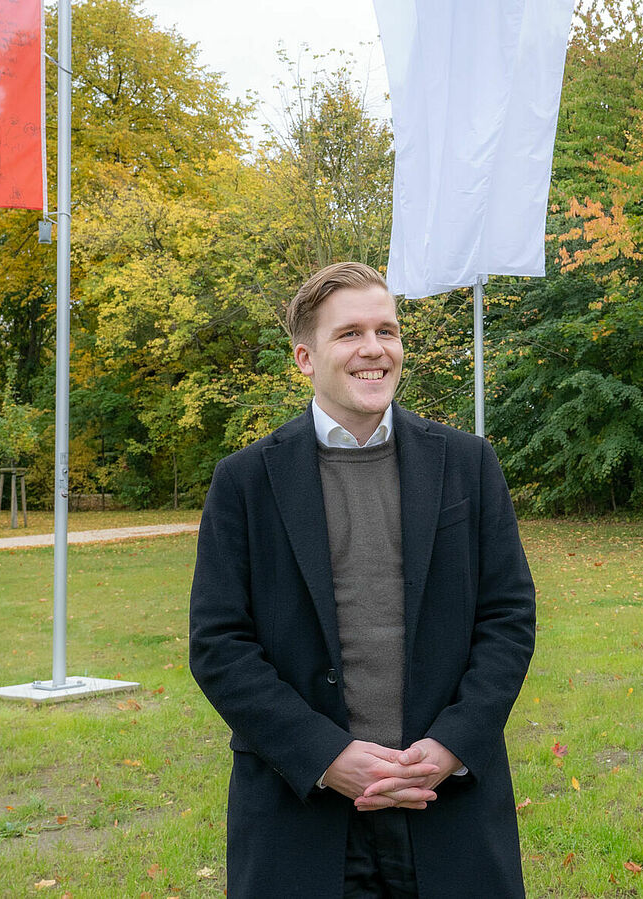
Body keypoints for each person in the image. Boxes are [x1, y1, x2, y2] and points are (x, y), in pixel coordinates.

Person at [189, 261, 536, 898]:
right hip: (302, 811)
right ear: (304, 357)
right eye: (349, 334)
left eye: (387, 330)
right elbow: (220, 646)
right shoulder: (243, 481)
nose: (374, 349)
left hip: (445, 802)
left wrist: (454, 744)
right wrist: (324, 756)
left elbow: (508, 618)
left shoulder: (468, 464)